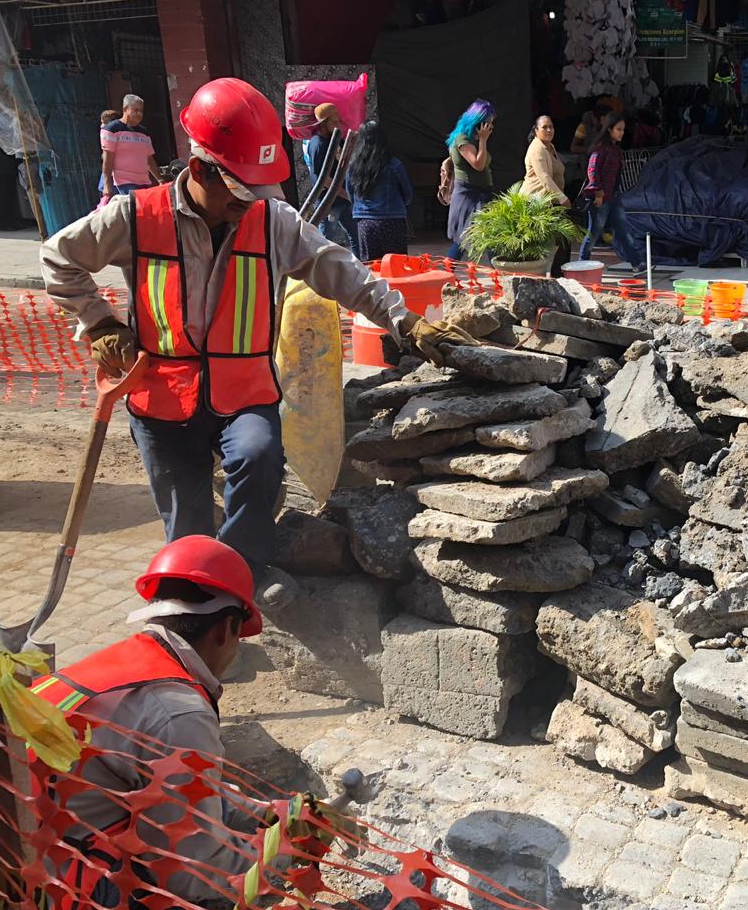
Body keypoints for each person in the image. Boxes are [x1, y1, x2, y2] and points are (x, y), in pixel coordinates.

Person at [40, 77, 478, 609]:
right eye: (240, 192)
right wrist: (102, 323)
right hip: (162, 393)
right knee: (188, 522)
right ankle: (195, 614)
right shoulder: (136, 216)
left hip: (243, 390)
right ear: (200, 168)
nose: (250, 206)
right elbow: (58, 258)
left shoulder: (272, 220)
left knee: (259, 456)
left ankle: (239, 582)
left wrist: (403, 320)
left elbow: (339, 269)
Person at [29, 537, 351, 910]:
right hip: (59, 902)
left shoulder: (116, 665)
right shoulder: (179, 712)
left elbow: (179, 786)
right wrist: (286, 856)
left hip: (25, 850)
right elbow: (190, 870)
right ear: (226, 629)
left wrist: (272, 816)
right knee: (180, 903)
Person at [346, 120, 413, 262]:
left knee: (371, 267)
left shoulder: (353, 166)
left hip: (365, 223)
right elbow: (408, 195)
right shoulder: (394, 164)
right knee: (397, 266)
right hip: (392, 221)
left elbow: (350, 193)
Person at [303, 102, 357, 256]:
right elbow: (323, 179)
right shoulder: (317, 145)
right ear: (323, 124)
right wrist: (344, 194)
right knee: (325, 243)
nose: (337, 124)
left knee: (355, 239)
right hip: (329, 204)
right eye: (334, 122)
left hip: (344, 200)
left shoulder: (336, 138)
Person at [445, 99, 495, 261]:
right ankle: (446, 274)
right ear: (478, 122)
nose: (490, 127)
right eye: (487, 123)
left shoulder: (469, 139)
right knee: (462, 240)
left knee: (489, 239)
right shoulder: (463, 139)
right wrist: (483, 140)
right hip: (469, 195)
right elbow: (478, 164)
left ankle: (502, 277)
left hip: (480, 194)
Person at [521, 115, 571, 276]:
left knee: (564, 237)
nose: (549, 130)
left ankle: (558, 275)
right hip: (535, 202)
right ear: (536, 130)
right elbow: (544, 178)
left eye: (551, 127)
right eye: (544, 127)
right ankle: (538, 276)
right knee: (537, 243)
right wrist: (562, 198)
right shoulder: (537, 149)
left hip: (549, 201)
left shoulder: (549, 147)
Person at [579, 112, 624, 260]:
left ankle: (638, 264)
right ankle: (582, 262)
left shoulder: (614, 149)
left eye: (623, 129)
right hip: (601, 197)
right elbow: (592, 170)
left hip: (612, 196)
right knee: (594, 233)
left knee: (622, 229)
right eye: (619, 129)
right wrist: (598, 193)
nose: (622, 133)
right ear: (609, 129)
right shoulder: (601, 148)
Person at [101, 95, 160, 200]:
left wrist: (160, 179)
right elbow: (108, 159)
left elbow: (149, 159)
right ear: (125, 109)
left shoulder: (144, 132)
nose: (139, 114)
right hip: (125, 182)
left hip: (144, 182)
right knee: (135, 210)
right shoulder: (111, 130)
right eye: (136, 110)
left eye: (141, 111)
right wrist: (106, 185)